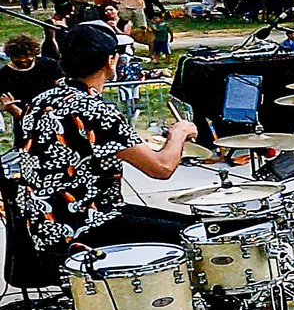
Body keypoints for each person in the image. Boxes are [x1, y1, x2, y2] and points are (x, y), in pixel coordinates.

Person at [14, 23, 199, 275]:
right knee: (195, 235)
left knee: (188, 225)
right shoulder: (96, 111)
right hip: (83, 228)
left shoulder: (40, 101)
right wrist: (179, 132)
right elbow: (161, 168)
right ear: (111, 61)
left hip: (42, 225)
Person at [0, 33, 63, 148]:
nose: (23, 60)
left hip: (56, 120)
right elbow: (11, 106)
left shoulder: (49, 65)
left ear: (34, 53)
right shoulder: (4, 75)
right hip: (25, 126)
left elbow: (63, 89)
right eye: (18, 57)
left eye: (27, 56)